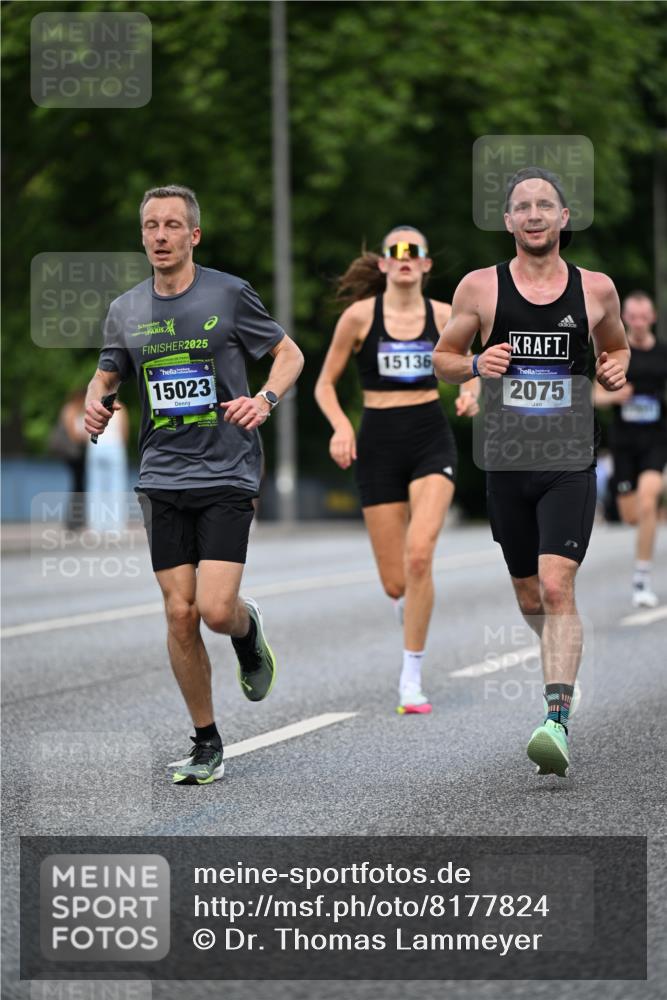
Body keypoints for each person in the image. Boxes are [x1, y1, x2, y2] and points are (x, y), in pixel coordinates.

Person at [84, 184, 304, 785]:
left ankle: (245, 625)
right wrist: (95, 407)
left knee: (213, 610)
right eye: (151, 225)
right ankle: (207, 741)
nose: (160, 235)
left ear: (193, 235)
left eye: (172, 225)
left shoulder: (229, 294)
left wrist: (264, 399)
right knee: (179, 614)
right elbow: (105, 376)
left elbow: (289, 355)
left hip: (228, 467)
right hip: (161, 475)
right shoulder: (126, 308)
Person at [433, 167, 629, 777]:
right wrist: (474, 363)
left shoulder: (595, 289)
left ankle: (556, 718)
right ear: (509, 221)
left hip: (569, 461)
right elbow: (441, 359)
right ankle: (558, 663)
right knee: (528, 593)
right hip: (505, 462)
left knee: (555, 586)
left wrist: (615, 368)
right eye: (524, 206)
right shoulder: (479, 289)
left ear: (564, 218)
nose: (535, 214)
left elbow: (617, 347)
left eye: (547, 205)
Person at [315, 226, 478, 714]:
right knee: (395, 582)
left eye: (415, 252)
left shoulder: (447, 316)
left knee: (420, 556)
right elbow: (325, 384)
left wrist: (471, 392)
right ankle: (411, 609)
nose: (405, 258)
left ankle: (411, 678)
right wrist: (341, 426)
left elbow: (477, 367)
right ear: (384, 264)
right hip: (379, 443)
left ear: (426, 265)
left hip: (430, 438)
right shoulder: (358, 317)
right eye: (396, 252)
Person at [594, 291, 667, 607]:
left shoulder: (663, 354)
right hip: (624, 444)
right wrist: (614, 397)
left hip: (656, 440)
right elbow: (594, 396)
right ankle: (652, 521)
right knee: (632, 514)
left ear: (652, 318)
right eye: (632, 317)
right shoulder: (616, 354)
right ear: (624, 319)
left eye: (643, 317)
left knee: (648, 499)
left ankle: (641, 578)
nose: (637, 322)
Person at [86, 400, 130, 532]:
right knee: (116, 486)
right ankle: (116, 526)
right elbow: (124, 431)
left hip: (95, 446)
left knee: (95, 486)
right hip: (114, 445)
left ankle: (96, 526)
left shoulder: (92, 406)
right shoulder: (121, 407)